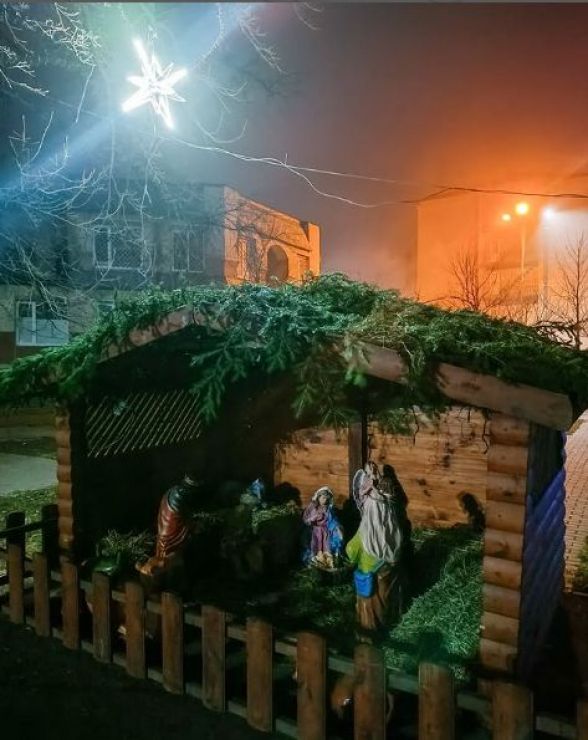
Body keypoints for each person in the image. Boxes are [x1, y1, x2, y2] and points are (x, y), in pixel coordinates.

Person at [347, 462, 406, 640]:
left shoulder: (365, 533)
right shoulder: (394, 528)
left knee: (370, 609)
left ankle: (369, 635)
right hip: (389, 570)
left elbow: (351, 551)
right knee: (387, 601)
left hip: (370, 575)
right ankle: (389, 625)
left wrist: (350, 555)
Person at [137, 473, 201, 583]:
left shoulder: (174, 491)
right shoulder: (179, 495)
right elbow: (185, 516)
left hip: (169, 526)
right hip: (172, 527)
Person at [302, 486, 344, 568]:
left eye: (327, 499)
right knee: (315, 545)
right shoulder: (313, 507)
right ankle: (314, 560)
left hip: (325, 531)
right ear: (318, 497)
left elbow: (332, 520)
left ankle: (326, 561)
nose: (324, 500)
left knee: (326, 546)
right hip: (314, 531)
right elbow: (306, 519)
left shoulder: (328, 509)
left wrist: (337, 527)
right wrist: (313, 518)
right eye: (323, 498)